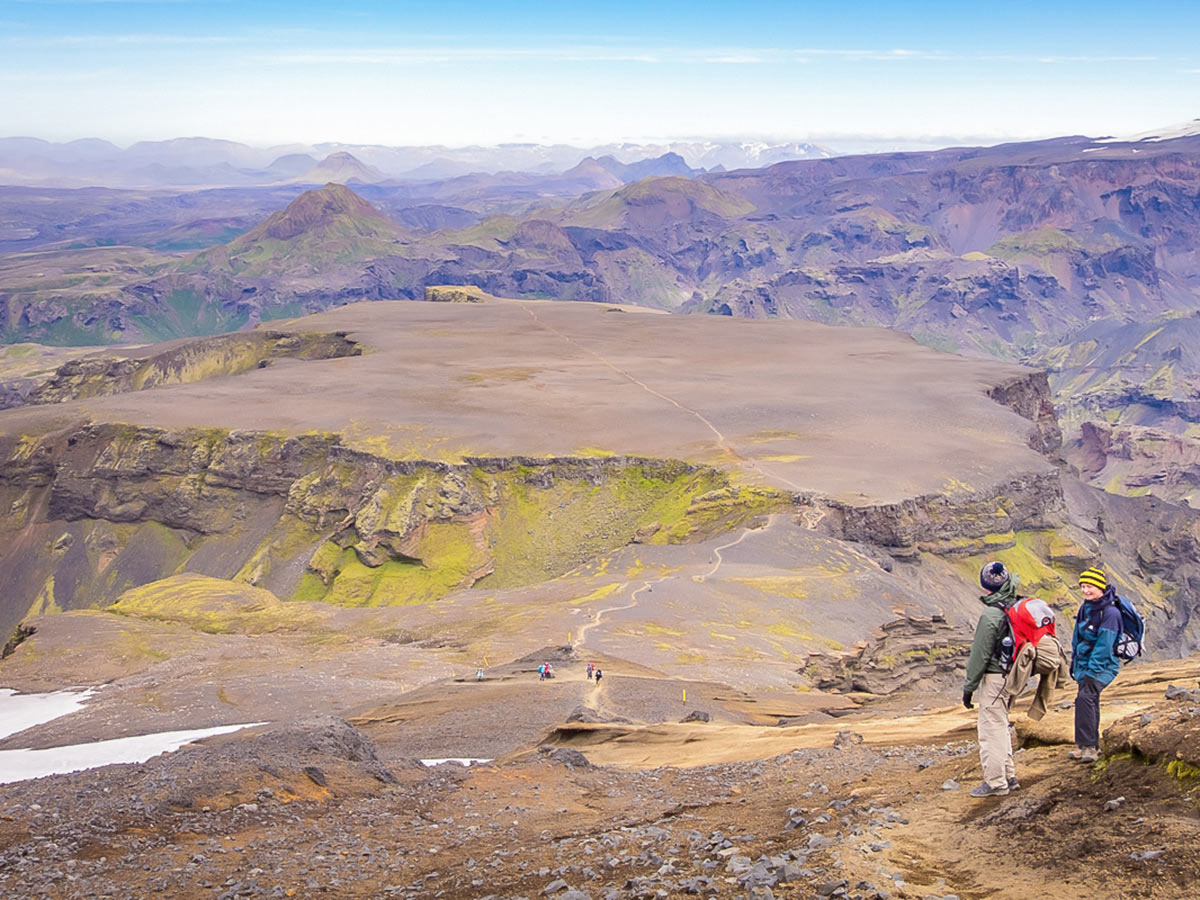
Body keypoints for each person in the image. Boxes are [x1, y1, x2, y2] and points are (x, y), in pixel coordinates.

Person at [962, 561, 1021, 798]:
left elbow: (980, 655)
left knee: (991, 728)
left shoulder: (991, 614)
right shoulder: (1014, 605)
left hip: (996, 678)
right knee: (1001, 724)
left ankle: (996, 783)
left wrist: (969, 688)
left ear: (986, 585)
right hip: (1012, 675)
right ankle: (1010, 776)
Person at [1070, 567, 1123, 763]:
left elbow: (1105, 645)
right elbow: (1078, 638)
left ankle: (1090, 748)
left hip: (1102, 666)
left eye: (1090, 586)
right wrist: (1075, 665)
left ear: (1100, 587)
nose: (1085, 590)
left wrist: (1092, 670)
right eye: (1083, 586)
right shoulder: (1086, 607)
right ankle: (1084, 745)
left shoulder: (1111, 613)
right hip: (1084, 665)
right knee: (1084, 700)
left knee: (1086, 699)